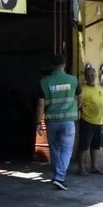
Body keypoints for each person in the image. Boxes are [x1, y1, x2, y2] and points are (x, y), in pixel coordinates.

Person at [37, 53, 80, 190]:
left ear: (51, 65)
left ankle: (57, 175)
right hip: (68, 121)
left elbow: (40, 104)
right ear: (64, 64)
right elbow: (81, 96)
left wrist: (38, 123)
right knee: (66, 149)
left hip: (52, 121)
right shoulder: (73, 80)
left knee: (54, 149)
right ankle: (59, 177)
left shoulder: (44, 82)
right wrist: (75, 107)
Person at [75, 64, 103, 175]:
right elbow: (79, 105)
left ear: (95, 76)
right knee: (84, 146)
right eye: (89, 76)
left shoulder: (100, 89)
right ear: (85, 78)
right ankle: (81, 167)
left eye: (93, 75)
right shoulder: (83, 90)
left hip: (99, 122)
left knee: (95, 146)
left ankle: (94, 166)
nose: (91, 77)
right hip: (87, 121)